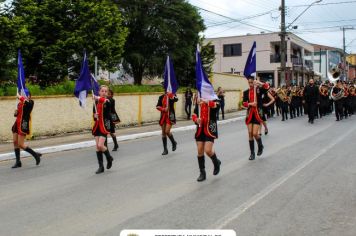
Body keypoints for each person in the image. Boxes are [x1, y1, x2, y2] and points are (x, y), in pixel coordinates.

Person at [192, 95, 221, 182]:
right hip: (200, 129)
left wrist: (205, 101)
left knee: (208, 150)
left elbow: (217, 105)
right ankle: (202, 173)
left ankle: (216, 162)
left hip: (210, 128)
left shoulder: (214, 98)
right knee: (200, 151)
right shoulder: (199, 99)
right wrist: (196, 119)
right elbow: (194, 113)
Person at [11, 91, 42, 168]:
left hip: (23, 124)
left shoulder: (30, 102)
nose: (24, 96)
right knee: (15, 142)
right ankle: (18, 162)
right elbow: (18, 114)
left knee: (20, 144)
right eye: (23, 95)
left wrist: (19, 96)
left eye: (26, 95)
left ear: (29, 96)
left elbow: (27, 106)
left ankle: (35, 155)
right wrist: (16, 113)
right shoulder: (19, 103)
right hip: (16, 124)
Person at [242, 77, 270, 160]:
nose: (250, 84)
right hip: (250, 114)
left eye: (252, 82)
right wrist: (251, 104)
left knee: (255, 133)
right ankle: (252, 153)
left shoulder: (258, 90)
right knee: (250, 133)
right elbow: (243, 103)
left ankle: (260, 145)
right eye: (249, 82)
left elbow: (267, 87)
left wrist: (259, 82)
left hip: (258, 113)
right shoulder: (246, 92)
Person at [92, 85, 114, 174]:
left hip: (104, 125)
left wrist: (96, 97)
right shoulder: (96, 103)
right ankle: (101, 167)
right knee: (97, 147)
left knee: (101, 145)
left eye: (106, 91)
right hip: (97, 125)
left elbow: (105, 102)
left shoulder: (108, 101)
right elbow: (94, 115)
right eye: (102, 91)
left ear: (107, 93)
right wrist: (95, 116)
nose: (104, 93)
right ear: (99, 92)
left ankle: (109, 158)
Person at [156, 91, 178, 155]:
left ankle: (173, 142)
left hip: (170, 115)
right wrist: (163, 109)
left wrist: (171, 95)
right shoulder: (161, 97)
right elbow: (157, 106)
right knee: (163, 133)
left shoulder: (172, 95)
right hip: (163, 116)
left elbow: (176, 99)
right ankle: (165, 149)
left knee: (167, 131)